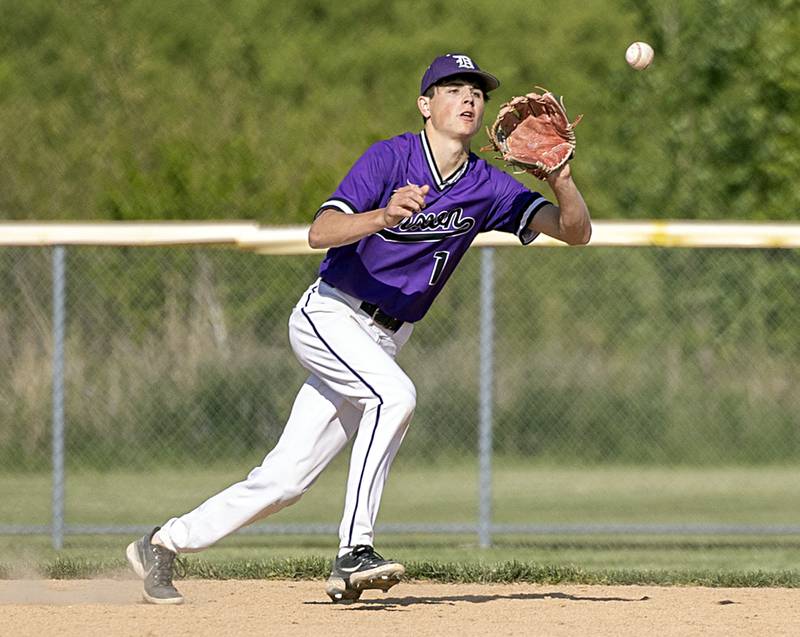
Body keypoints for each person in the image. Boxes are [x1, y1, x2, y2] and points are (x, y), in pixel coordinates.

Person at [126, 52, 591, 605]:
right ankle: (354, 552)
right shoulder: (389, 159)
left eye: (476, 91)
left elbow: (574, 232)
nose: (468, 98)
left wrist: (562, 178)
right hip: (331, 314)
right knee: (395, 397)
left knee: (285, 481)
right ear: (425, 104)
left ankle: (160, 543)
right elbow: (320, 232)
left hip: (386, 338)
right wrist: (381, 217)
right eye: (452, 88)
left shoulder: (487, 187)